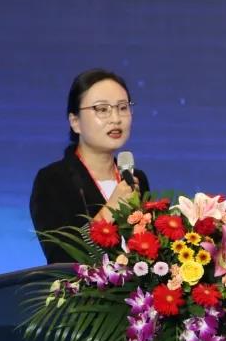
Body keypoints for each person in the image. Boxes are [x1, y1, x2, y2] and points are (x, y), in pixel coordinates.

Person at [30, 69, 150, 264]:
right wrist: (112, 209)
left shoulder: (137, 179)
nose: (116, 118)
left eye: (122, 107)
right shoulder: (53, 180)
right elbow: (61, 258)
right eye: (102, 109)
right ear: (75, 122)